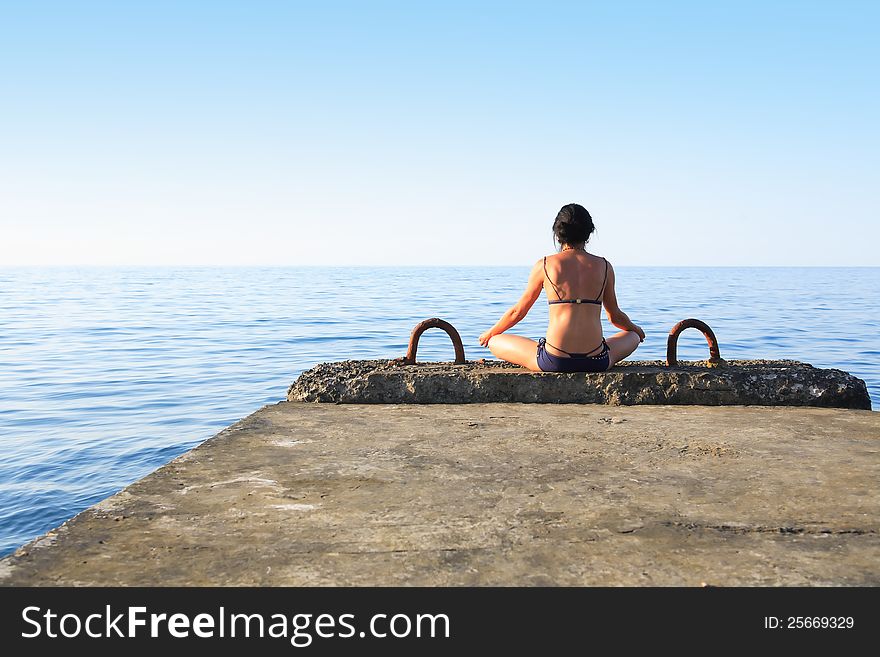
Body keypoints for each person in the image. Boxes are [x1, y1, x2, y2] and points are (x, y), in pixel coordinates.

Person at [478, 203, 644, 372]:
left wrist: (490, 332)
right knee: (633, 337)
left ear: (558, 235)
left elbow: (518, 312)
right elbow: (614, 317)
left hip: (554, 360)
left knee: (494, 341)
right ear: (589, 234)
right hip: (596, 360)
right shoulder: (604, 266)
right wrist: (637, 330)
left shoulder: (544, 265)